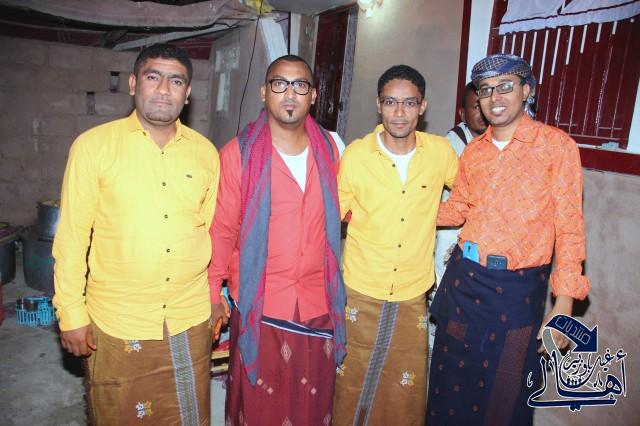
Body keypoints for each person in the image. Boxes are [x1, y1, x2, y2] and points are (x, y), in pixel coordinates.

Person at [52, 44, 219, 425]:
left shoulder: (205, 153)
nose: (163, 89)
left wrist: (214, 296)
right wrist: (70, 312)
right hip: (118, 317)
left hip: (188, 315)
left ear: (188, 93)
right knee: (119, 412)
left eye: (176, 81)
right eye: (153, 77)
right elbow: (72, 237)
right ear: (133, 84)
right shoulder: (93, 147)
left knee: (188, 414)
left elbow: (208, 230)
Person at [427, 54, 590, 425]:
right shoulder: (474, 152)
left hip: (517, 296)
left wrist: (564, 305)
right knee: (449, 394)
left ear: (526, 90)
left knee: (504, 399)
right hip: (464, 286)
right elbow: (458, 209)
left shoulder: (556, 147)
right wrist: (400, 204)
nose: (494, 97)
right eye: (485, 90)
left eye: (505, 86)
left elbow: (569, 228)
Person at [208, 54, 346, 425]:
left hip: (318, 302)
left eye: (300, 85)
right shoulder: (238, 154)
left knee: (312, 408)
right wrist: (212, 293)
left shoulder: (331, 149)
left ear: (313, 95)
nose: (289, 93)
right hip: (262, 302)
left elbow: (347, 211)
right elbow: (222, 230)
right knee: (259, 409)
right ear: (263, 92)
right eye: (279, 83)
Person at [333, 65, 459, 425]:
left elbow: (470, 196)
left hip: (411, 290)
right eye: (390, 102)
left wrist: (432, 215)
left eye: (409, 103)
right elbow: (332, 213)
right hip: (361, 287)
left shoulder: (440, 153)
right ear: (378, 105)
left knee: (405, 386)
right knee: (350, 380)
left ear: (423, 106)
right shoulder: (356, 155)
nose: (399, 112)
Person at [434, 82, 488, 286]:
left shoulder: (494, 143)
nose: (482, 112)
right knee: (445, 284)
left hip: (481, 230)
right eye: (475, 107)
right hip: (450, 229)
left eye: (485, 105)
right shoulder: (449, 145)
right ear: (462, 114)